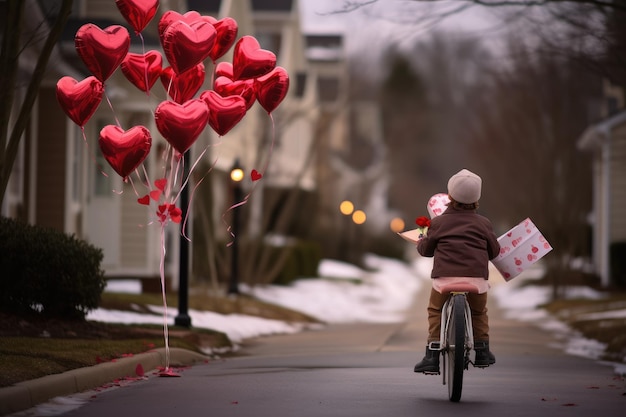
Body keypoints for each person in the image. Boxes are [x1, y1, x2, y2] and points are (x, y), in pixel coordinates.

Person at [414, 169, 501, 374]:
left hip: (444, 280)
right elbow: (494, 251)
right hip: (476, 281)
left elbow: (426, 251)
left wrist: (422, 239)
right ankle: (482, 350)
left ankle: (432, 354)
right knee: (479, 312)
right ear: (477, 198)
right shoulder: (484, 224)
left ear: (450, 196)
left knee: (435, 310)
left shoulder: (439, 223)